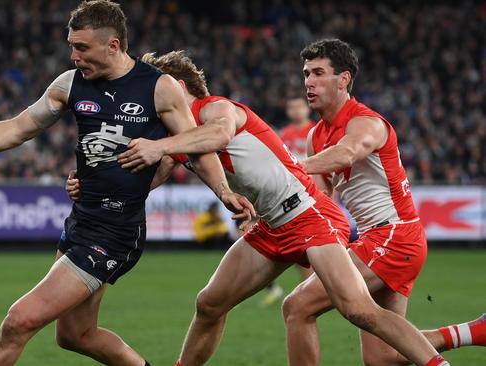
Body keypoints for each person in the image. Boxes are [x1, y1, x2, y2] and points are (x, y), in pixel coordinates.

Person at [0, 2, 253, 366]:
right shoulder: (69, 84)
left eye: (81, 47)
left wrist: (224, 192)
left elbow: (197, 148)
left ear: (113, 45)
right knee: (75, 335)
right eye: (71, 45)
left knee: (19, 321)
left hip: (115, 230)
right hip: (81, 221)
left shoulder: (159, 89)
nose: (73, 55)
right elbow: (18, 129)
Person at [113, 50, 451, 366]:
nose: (149, 99)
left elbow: (218, 135)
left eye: (154, 89)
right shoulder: (180, 135)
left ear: (179, 87)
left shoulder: (216, 108)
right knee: (209, 304)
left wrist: (158, 146)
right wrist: (97, 185)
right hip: (272, 224)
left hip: (309, 214)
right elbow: (150, 174)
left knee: (357, 309)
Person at [282, 38, 484, 366]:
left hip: (393, 236)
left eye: (318, 73)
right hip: (386, 240)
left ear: (343, 79)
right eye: (306, 73)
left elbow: (348, 152)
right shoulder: (316, 136)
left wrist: (288, 165)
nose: (308, 81)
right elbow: (319, 201)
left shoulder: (367, 122)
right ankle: (473, 332)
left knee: (297, 307)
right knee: (383, 357)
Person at [258, 94, 318, 307]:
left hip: (312, 196)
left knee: (307, 251)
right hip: (288, 195)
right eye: (291, 107)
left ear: (307, 108)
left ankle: (310, 295)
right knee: (294, 250)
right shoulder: (284, 134)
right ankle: (305, 295)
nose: (295, 111)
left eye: (298, 106)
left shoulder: (315, 131)